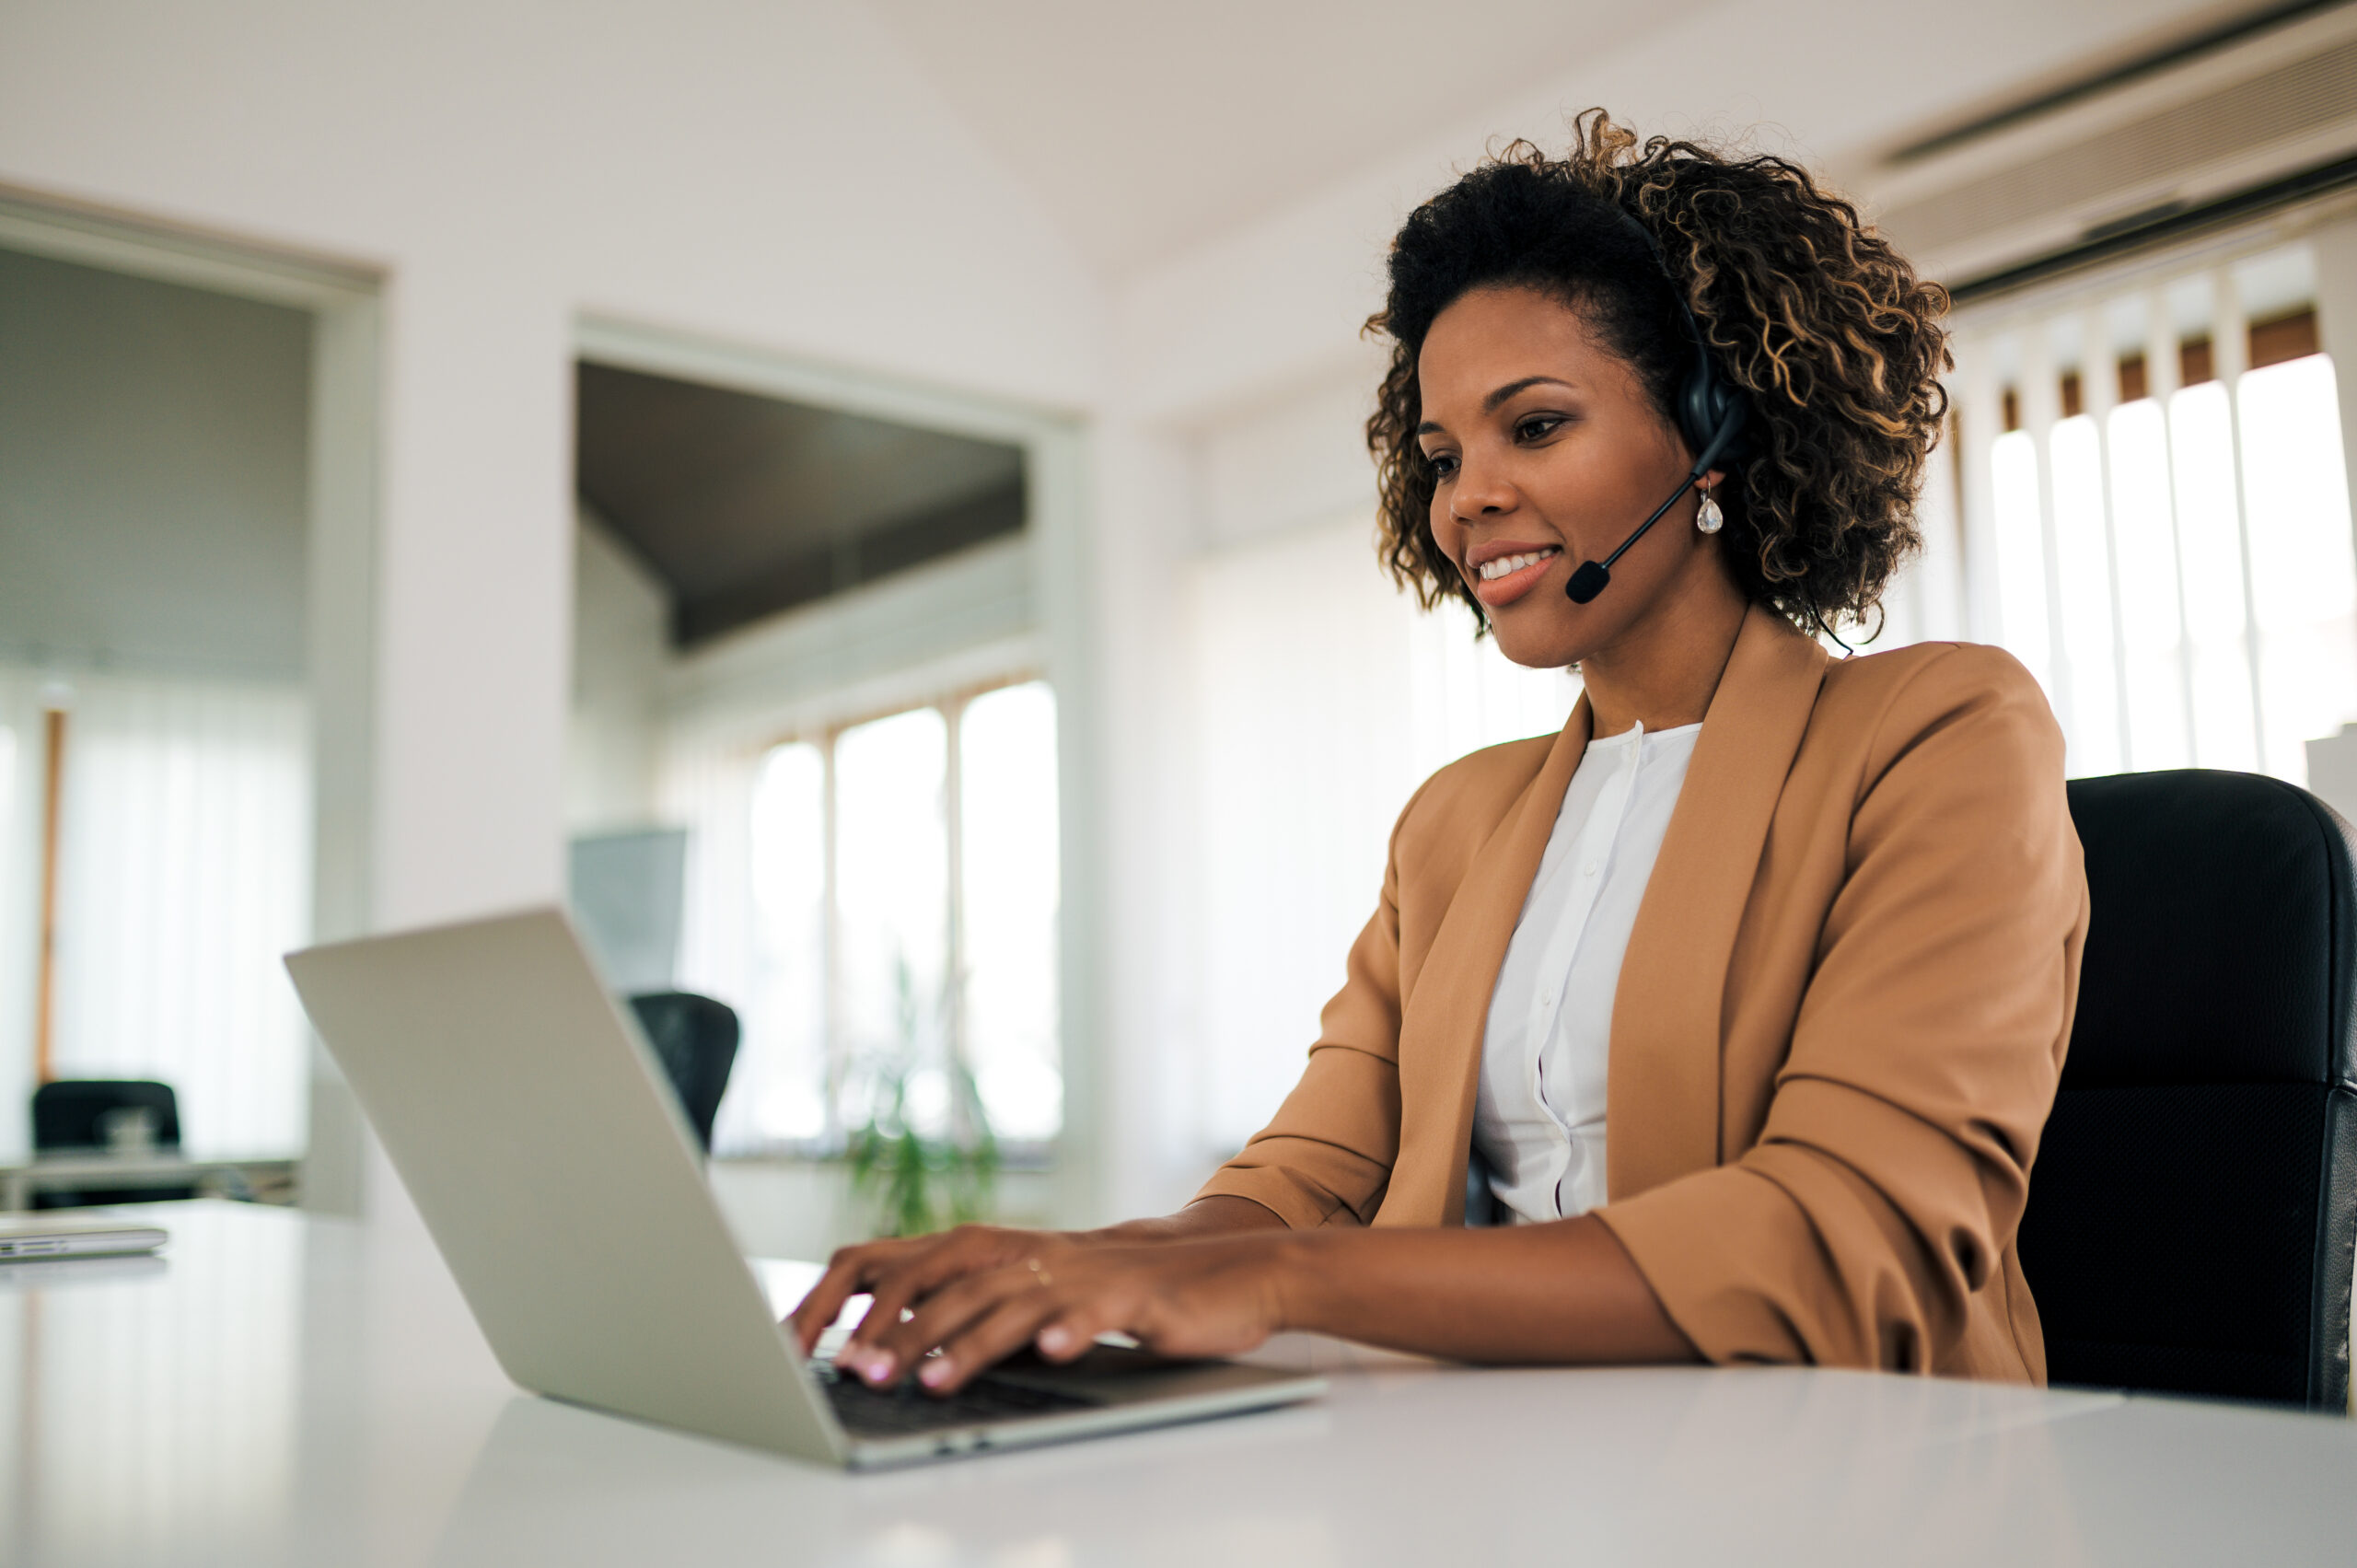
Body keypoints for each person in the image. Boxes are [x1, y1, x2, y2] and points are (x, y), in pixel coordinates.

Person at [790, 111, 2088, 1394]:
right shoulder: (1456, 823)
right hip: (1492, 1470)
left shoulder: (1938, 732)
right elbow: (1303, 1182)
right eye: (1440, 454)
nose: (1465, 497)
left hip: (1853, 1485)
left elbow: (1846, 1246)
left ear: (1713, 436)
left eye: (1533, 427)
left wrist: (1283, 1285)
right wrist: (1056, 1269)